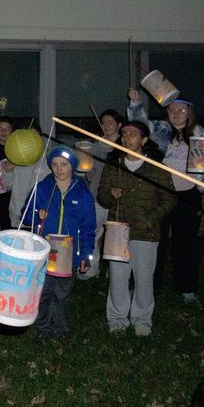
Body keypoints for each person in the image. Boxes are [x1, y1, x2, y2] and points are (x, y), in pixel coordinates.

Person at [128, 88, 204, 303]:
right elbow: (140, 126)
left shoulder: (201, 135)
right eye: (172, 110)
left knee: (186, 243)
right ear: (167, 113)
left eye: (181, 109)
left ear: (189, 112)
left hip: (188, 197)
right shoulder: (160, 130)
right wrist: (136, 103)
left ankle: (187, 288)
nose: (177, 113)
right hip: (160, 195)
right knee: (154, 242)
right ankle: (150, 286)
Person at [96, 121, 176, 336]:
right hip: (116, 231)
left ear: (144, 140)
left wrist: (152, 218)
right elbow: (102, 197)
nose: (126, 137)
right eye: (124, 134)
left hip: (145, 232)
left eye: (133, 134)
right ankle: (117, 319)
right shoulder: (113, 166)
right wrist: (110, 194)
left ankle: (142, 319)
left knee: (143, 279)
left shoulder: (157, 168)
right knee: (118, 277)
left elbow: (169, 198)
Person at [21, 146, 96, 340]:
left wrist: (85, 256)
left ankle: (61, 329)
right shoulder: (43, 188)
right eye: (54, 165)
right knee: (44, 291)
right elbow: (26, 215)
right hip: (45, 251)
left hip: (69, 254)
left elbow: (88, 227)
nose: (59, 169)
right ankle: (43, 327)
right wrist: (38, 216)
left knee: (62, 294)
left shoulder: (82, 193)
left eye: (64, 165)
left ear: (72, 167)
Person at [78, 109, 123, 281]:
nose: (106, 126)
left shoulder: (124, 147)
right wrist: (89, 174)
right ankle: (90, 268)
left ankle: (115, 273)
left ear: (119, 125)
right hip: (96, 195)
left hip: (119, 198)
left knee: (116, 236)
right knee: (91, 233)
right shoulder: (94, 146)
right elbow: (88, 173)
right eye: (103, 123)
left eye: (110, 122)